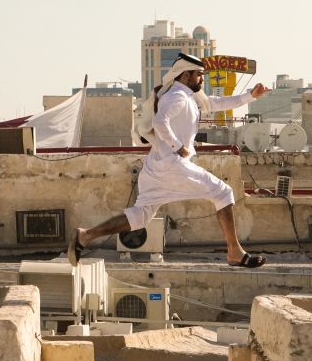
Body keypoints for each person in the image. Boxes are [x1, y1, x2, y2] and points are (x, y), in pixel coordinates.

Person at [68, 53, 271, 268]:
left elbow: (214, 103)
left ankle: (85, 236)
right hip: (173, 164)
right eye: (199, 75)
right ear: (186, 75)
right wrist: (178, 146)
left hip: (157, 165)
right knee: (223, 192)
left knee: (140, 216)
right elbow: (159, 121)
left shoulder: (188, 96)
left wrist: (251, 95)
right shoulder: (177, 97)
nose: (202, 79)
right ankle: (234, 252)